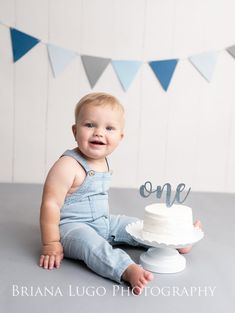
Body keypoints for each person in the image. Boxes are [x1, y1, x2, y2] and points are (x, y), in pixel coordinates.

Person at [39, 92, 197, 295]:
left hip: (103, 222)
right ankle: (125, 269)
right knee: (93, 246)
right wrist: (51, 243)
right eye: (89, 125)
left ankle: (173, 241)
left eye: (109, 128)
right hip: (73, 229)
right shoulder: (67, 165)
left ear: (120, 137)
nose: (99, 133)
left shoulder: (102, 160)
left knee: (134, 226)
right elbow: (50, 204)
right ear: (75, 130)